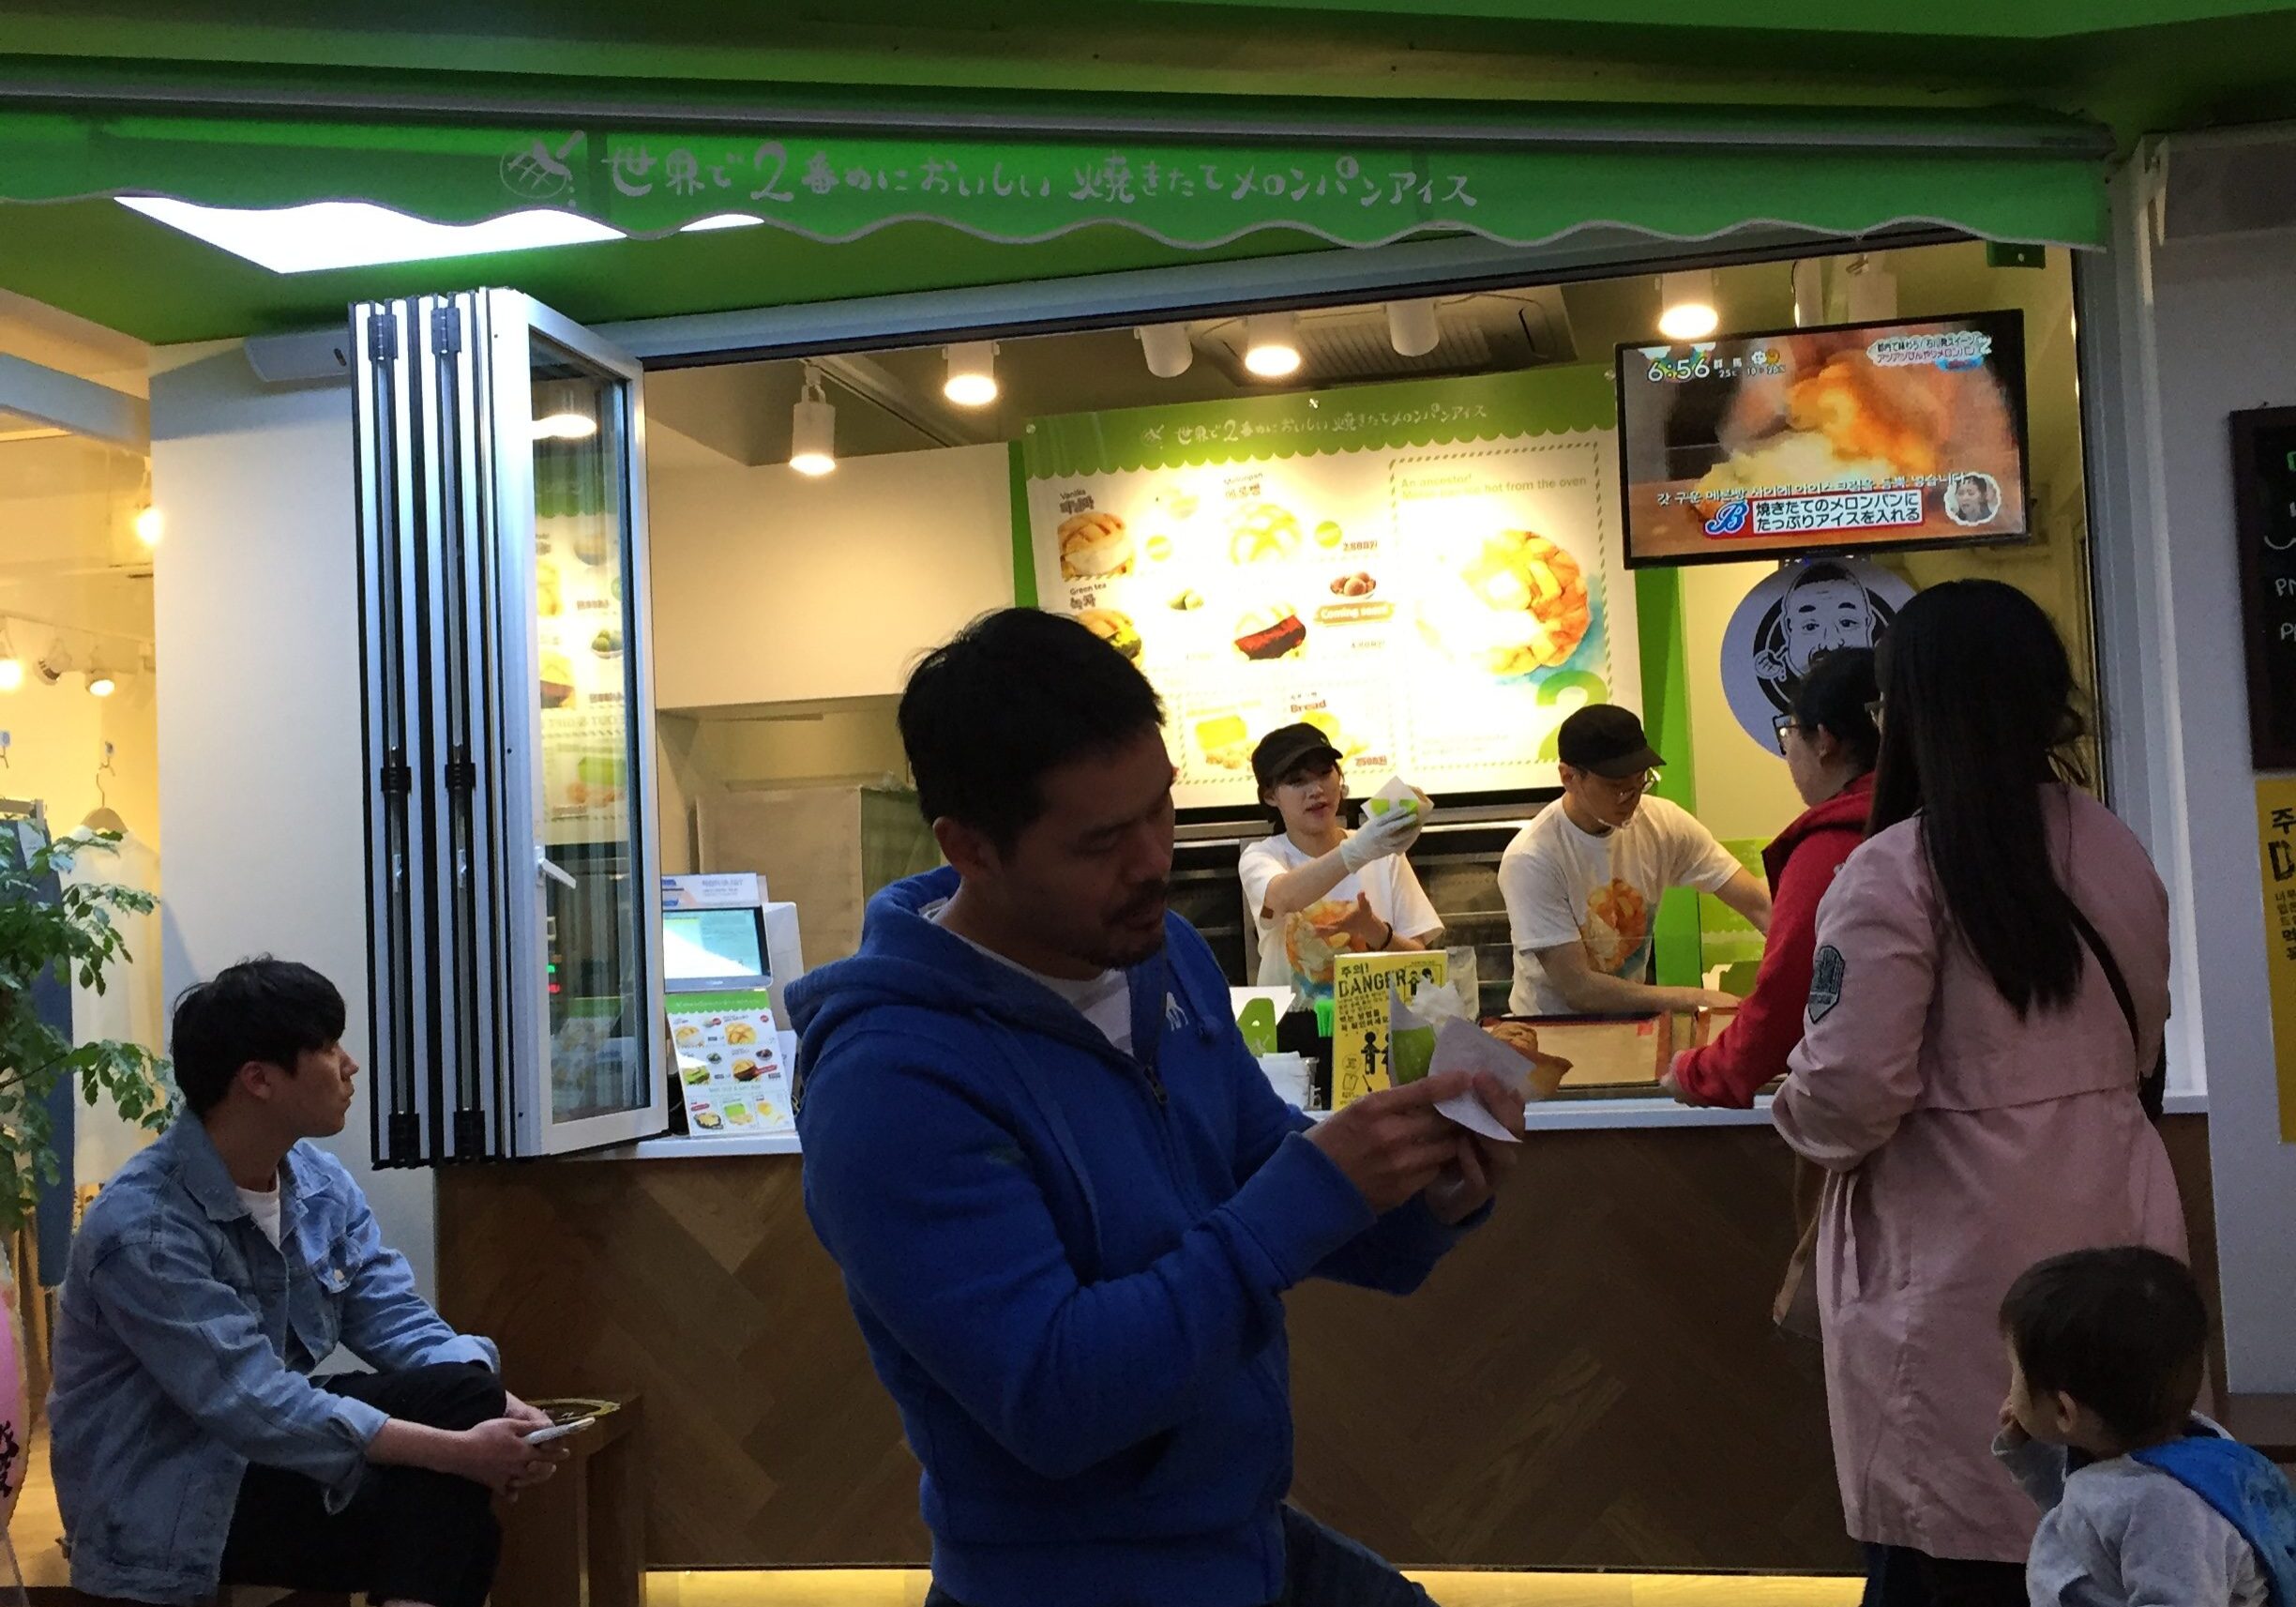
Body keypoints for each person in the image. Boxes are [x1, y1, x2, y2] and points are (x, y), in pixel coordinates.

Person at [790, 607, 1528, 1607]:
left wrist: (1423, 1190)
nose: (1153, 862)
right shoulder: (892, 1083)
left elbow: (1269, 1180)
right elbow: (1057, 1398)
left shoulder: (1161, 955)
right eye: (1101, 841)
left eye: (1162, 811)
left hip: (1247, 1542)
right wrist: (1313, 1190)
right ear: (971, 848)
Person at [1771, 580, 2187, 1607]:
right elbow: (2145, 1030)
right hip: (2117, 1236)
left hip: (1955, 1267)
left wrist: (1789, 1099)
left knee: (1953, 1545)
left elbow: (1849, 1094)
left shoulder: (1890, 870)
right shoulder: (2108, 840)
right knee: (2111, 1530)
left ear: (1898, 710)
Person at [49, 958, 564, 1607]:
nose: (349, 1064)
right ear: (258, 1079)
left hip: (270, 1458)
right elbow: (254, 1403)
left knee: (460, 1408)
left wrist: (496, 1402)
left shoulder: (316, 1182)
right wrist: (459, 1450)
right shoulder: (144, 1228)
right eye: (325, 1046)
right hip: (168, 1501)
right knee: (455, 1514)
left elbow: (393, 1315)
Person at [1995, 1247, 2296, 1607]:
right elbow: (2074, 1516)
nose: (2010, 1385)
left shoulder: (2168, 1509)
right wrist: (2029, 1450)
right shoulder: (2155, 1446)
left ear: (2064, 1410)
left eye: (2014, 1372)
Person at [1665, 648, 1879, 1108]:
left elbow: (1789, 993)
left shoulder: (1833, 847)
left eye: (1788, 734)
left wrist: (1699, 1071)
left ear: (1823, 740)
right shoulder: (1949, 814)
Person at [1497, 703, 1772, 1017]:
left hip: (1630, 1020)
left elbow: (1759, 905)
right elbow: (1579, 988)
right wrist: (1697, 997)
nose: (1632, 797)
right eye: (1616, 787)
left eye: (1640, 781)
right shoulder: (1532, 857)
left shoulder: (1664, 824)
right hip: (1553, 1029)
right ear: (1569, 777)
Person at [1238, 720, 1443, 1001]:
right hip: (1292, 1029)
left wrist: (1374, 930)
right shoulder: (1262, 856)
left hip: (1375, 1027)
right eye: (1297, 781)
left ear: (1340, 778)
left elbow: (1422, 963)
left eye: (1324, 774)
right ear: (1271, 796)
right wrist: (1359, 849)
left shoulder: (1382, 852)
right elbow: (1282, 896)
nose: (1316, 790)